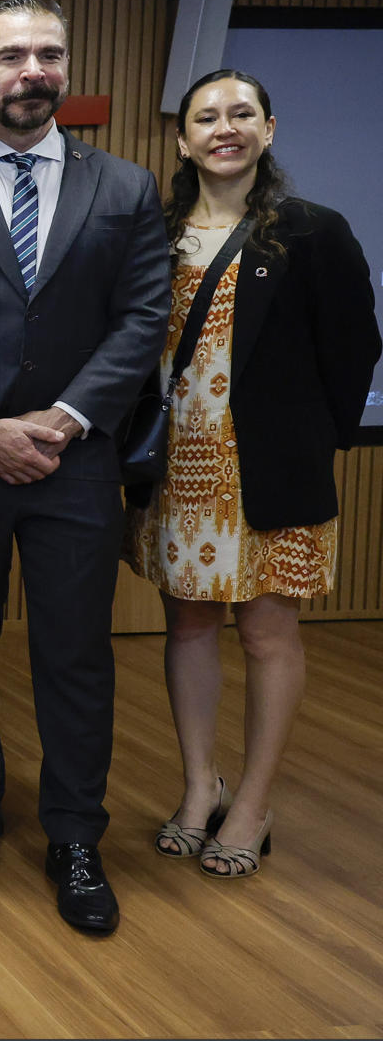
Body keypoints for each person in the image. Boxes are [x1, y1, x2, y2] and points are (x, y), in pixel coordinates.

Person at [0, 0, 170, 934]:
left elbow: (143, 319)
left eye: (49, 54)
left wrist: (62, 421)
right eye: (12, 55)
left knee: (74, 656)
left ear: (65, 69)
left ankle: (74, 834)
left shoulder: (128, 187)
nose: (34, 71)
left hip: (74, 465)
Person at [127, 69, 379, 878]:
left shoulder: (312, 231)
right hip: (179, 469)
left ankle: (254, 802)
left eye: (242, 114)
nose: (224, 128)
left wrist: (313, 440)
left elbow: (354, 349)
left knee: (268, 633)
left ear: (270, 128)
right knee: (189, 627)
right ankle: (201, 787)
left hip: (270, 471)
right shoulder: (156, 231)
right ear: (182, 137)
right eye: (207, 116)